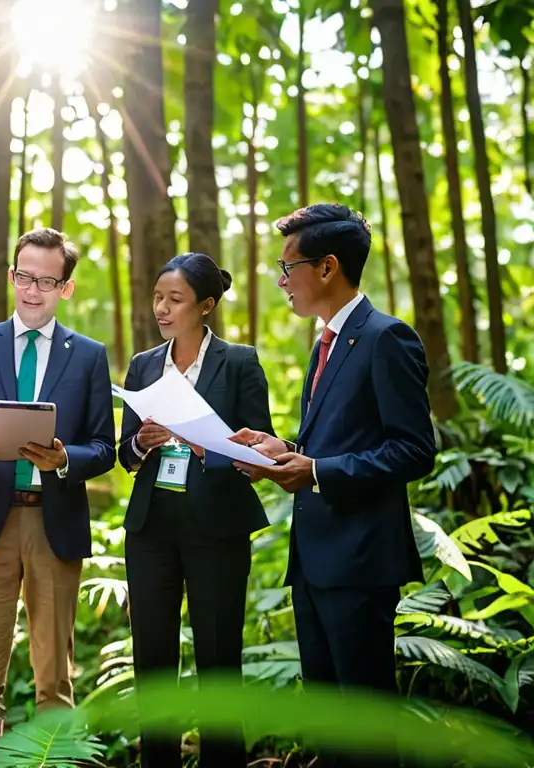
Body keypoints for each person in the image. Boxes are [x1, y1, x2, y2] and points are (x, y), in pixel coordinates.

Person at [230, 204, 437, 766]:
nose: (280, 280)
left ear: (327, 268)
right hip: (314, 561)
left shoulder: (386, 338)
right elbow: (336, 442)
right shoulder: (323, 344)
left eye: (287, 266)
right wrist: (284, 452)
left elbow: (415, 449)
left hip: (362, 563)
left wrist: (316, 471)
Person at [0, 228, 116, 767]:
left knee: (55, 683)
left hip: (54, 523)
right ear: (11, 276)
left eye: (46, 280)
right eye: (24, 276)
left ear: (65, 288)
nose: (31, 290)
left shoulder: (88, 356)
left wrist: (65, 457)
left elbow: (105, 448)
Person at [118, 253, 274, 768]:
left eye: (175, 299)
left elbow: (260, 451)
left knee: (218, 659)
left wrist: (209, 447)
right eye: (158, 297)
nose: (162, 308)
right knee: (153, 663)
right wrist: (141, 442)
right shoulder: (143, 365)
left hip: (218, 530)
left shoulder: (240, 362)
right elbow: (125, 456)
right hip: (151, 531)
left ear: (205, 306)